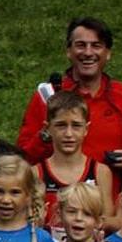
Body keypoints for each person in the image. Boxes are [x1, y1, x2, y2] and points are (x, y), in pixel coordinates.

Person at [15, 17, 122, 182]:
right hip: (59, 199)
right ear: (68, 51)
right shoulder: (48, 96)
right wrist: (46, 136)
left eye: (96, 45)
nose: (88, 52)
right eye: (80, 45)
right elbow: (23, 159)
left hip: (109, 199)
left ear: (108, 53)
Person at [35, 92, 113, 229]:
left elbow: (106, 221)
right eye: (61, 125)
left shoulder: (100, 172)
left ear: (86, 129)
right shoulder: (36, 173)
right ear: (48, 128)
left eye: (76, 126)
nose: (69, 134)